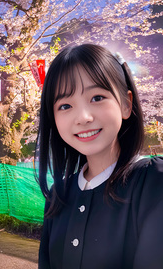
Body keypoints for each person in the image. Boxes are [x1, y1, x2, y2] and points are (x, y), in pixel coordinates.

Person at [36, 44, 163, 268]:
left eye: (97, 98)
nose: (83, 117)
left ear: (126, 103)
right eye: (65, 105)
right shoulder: (58, 194)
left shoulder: (154, 181)